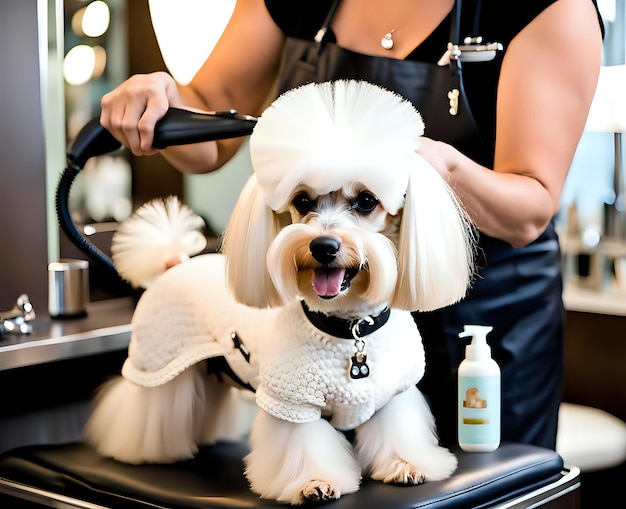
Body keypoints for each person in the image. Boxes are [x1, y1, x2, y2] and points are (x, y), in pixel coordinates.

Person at [99, 0, 604, 450]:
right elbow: (211, 127)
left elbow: (530, 206)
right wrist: (160, 104)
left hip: (481, 326)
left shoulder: (547, 7)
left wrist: (436, 167)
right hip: (324, 328)